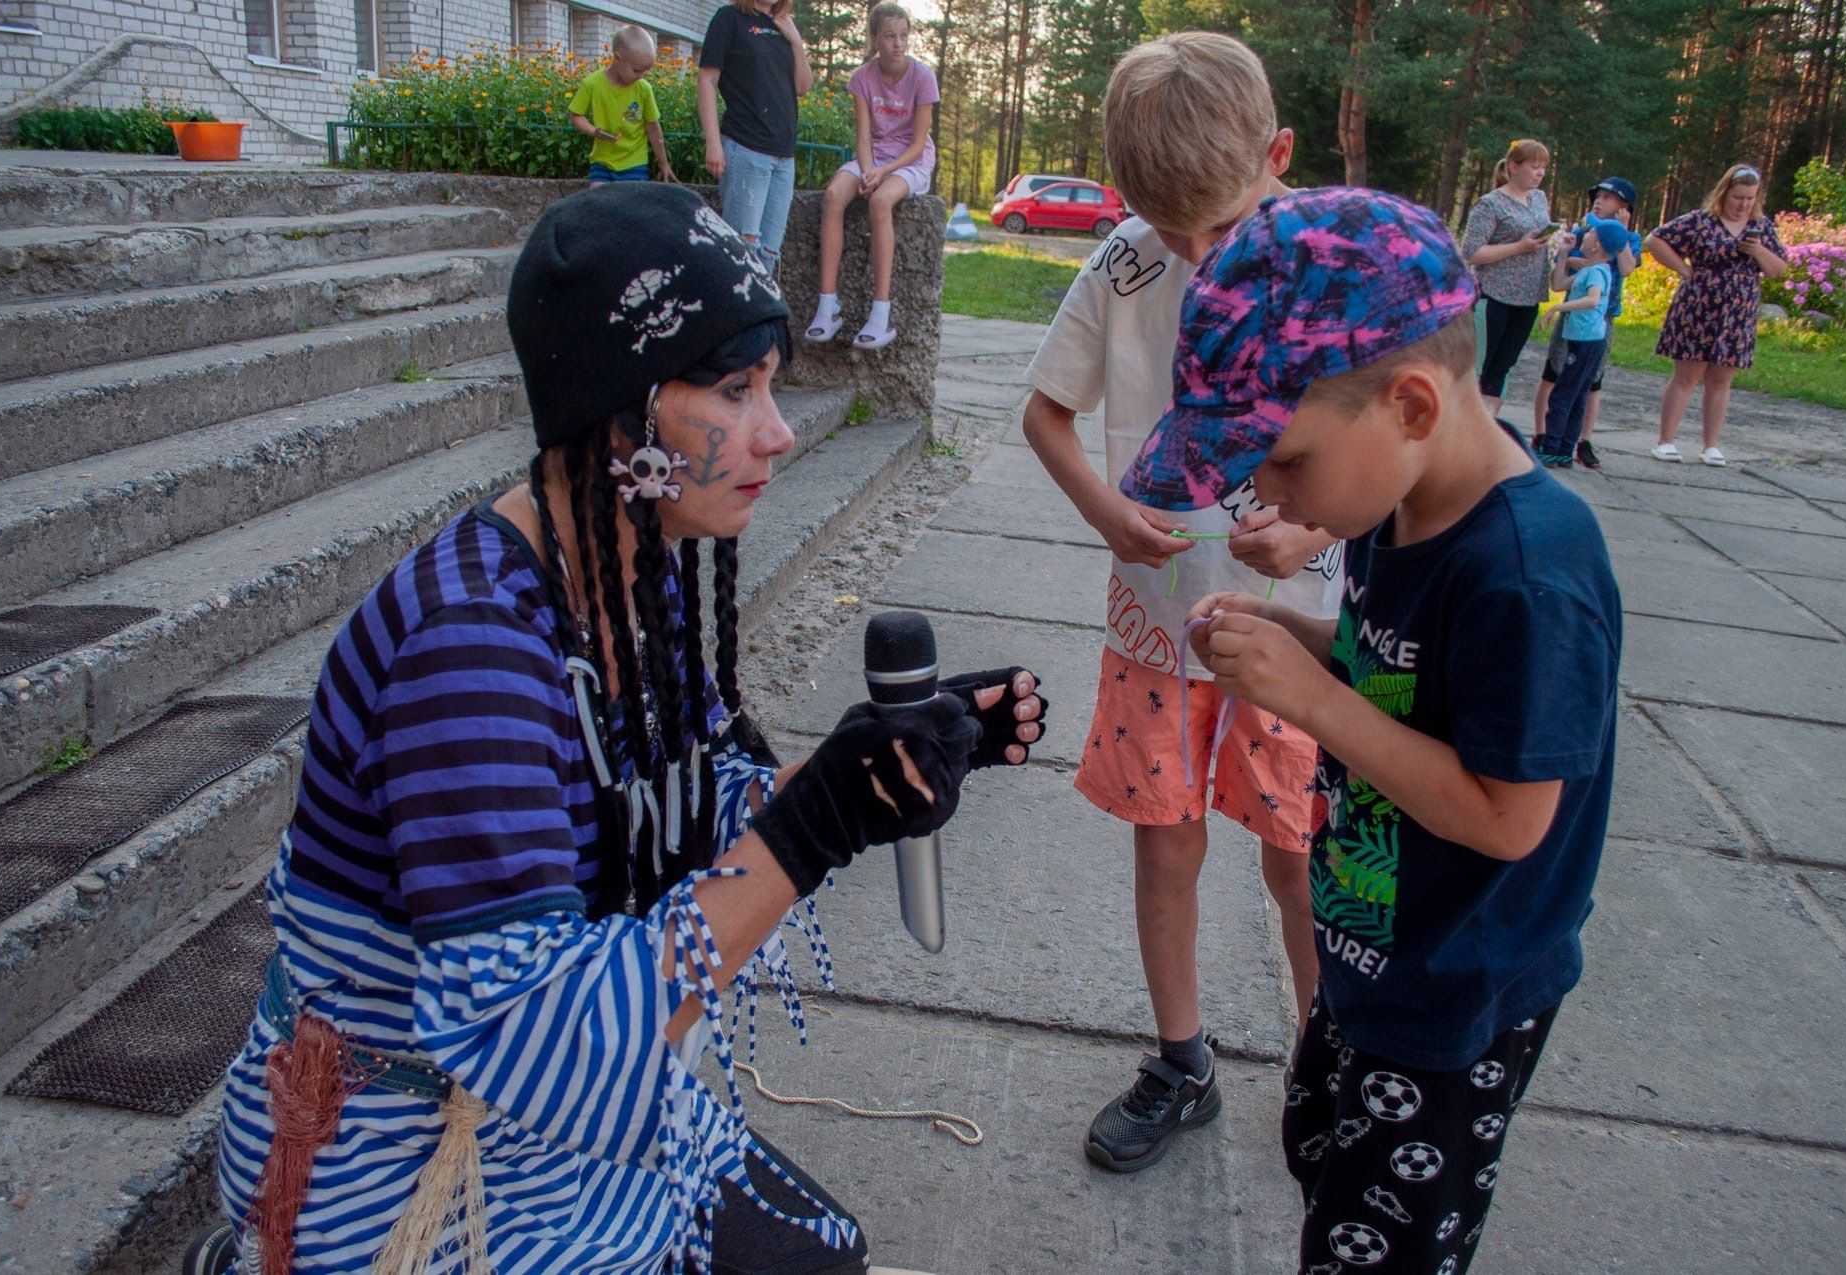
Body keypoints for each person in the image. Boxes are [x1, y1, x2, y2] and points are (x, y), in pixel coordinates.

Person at [195, 184, 1046, 1275]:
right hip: (395, 1154)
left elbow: (692, 811)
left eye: (770, 385)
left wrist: (874, 771)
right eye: (733, 390)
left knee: (824, 1256)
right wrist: (816, 826)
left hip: (538, 1134)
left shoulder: (631, 574)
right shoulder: (472, 650)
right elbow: (535, 1033)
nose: (779, 431)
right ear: (618, 415)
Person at [1123, 187, 1621, 1274]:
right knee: (1326, 1170)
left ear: (1412, 405)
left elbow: (1507, 817)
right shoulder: (1400, 502)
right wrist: (1295, 635)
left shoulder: (1528, 576)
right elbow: (1396, 676)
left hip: (1454, 993)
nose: (1261, 488)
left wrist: (1311, 702)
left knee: (1380, 1247)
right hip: (1372, 947)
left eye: (1285, 459)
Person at [1021, 31, 1341, 1175]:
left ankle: (1329, 1063)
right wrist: (1107, 511)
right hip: (1159, 623)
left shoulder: (1332, 270)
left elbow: (1398, 459)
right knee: (1166, 840)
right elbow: (1046, 412)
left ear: (1277, 155)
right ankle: (1181, 1061)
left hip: (1295, 630)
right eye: (1172, 229)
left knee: (1302, 856)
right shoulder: (1125, 261)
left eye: (1220, 225)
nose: (1201, 256)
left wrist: (1311, 528)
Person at [804, 2, 938, 351]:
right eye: (890, 36)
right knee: (833, 196)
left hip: (910, 161)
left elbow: (918, 144)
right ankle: (827, 307)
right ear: (875, 38)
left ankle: (880, 314)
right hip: (873, 156)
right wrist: (867, 170)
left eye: (903, 35)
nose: (898, 43)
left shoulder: (923, 77)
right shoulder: (862, 78)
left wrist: (882, 173)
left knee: (880, 201)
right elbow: (863, 137)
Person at [1646, 163, 1790, 466]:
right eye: (1738, 197)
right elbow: (1655, 240)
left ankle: (1711, 445)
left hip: (1737, 313)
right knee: (1687, 375)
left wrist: (1758, 251)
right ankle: (1665, 441)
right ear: (1724, 193)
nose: (1744, 204)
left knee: (1721, 379)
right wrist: (1683, 269)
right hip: (1698, 307)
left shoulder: (1761, 227)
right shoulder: (1701, 221)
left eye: (1750, 198)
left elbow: (1779, 270)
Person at [1531, 176, 1642, 469]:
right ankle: (1543, 434)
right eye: (1597, 196)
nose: (1599, 201)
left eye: (1607, 197)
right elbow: (1560, 280)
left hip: (1600, 319)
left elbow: (1626, 268)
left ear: (1624, 206)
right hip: (1573, 316)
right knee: (1554, 374)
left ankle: (1581, 441)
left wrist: (1621, 232)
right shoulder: (1583, 234)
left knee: (1591, 382)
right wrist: (1568, 259)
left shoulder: (1628, 238)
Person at [700, 0, 814, 273]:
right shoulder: (729, 18)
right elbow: (706, 80)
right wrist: (713, 143)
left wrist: (796, 42)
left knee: (769, 253)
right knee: (742, 251)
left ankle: (761, 303)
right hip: (745, 146)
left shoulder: (784, 23)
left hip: (783, 155)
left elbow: (802, 86)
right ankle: (734, 302)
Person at [1460, 139, 1554, 415]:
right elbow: (1471, 252)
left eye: (1543, 168)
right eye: (1534, 167)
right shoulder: (1490, 204)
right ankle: (1463, 424)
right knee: (1478, 367)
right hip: (1494, 295)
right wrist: (1518, 247)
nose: (1540, 173)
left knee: (1503, 367)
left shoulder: (1539, 198)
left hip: (1528, 297)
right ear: (1513, 167)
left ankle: (1489, 424)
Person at [567, 25, 678, 184]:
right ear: (617, 58)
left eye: (645, 71)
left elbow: (653, 128)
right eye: (637, 70)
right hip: (602, 162)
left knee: (630, 198)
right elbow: (576, 115)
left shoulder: (644, 89)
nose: (641, 76)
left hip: (635, 164)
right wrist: (593, 131)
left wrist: (664, 163)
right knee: (598, 196)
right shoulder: (591, 84)